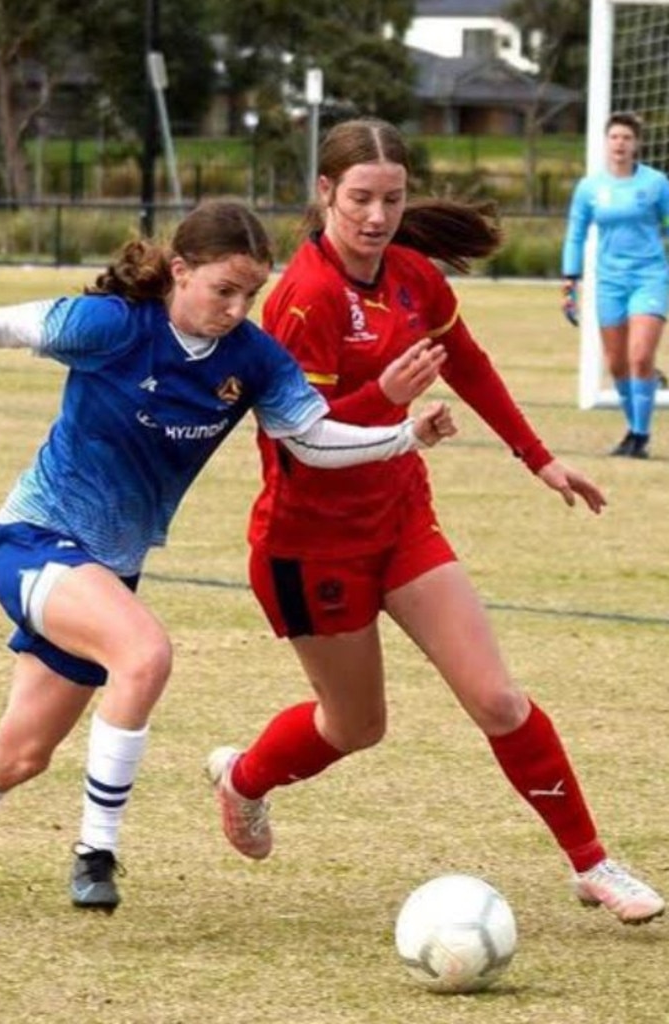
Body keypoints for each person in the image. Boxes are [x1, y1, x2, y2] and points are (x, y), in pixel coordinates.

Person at [0, 199, 456, 911]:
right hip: (37, 540)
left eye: (249, 293)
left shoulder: (252, 359)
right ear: (181, 271)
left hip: (106, 569)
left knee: (20, 754)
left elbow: (311, 439)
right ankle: (96, 853)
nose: (236, 307)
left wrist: (405, 436)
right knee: (145, 653)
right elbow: (3, 323)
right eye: (223, 289)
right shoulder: (115, 327)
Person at [206, 119, 665, 926]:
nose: (377, 217)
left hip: (400, 520)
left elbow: (472, 364)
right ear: (324, 195)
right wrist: (386, 395)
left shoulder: (414, 276)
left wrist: (539, 457)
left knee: (497, 700)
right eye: (359, 199)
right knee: (357, 726)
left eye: (392, 198)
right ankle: (245, 779)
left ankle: (594, 864)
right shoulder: (302, 301)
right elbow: (298, 442)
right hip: (310, 547)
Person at [561, 110, 669, 459]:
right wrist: (570, 282)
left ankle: (639, 436)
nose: (620, 143)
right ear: (606, 143)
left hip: (649, 277)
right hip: (609, 282)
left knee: (640, 356)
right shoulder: (590, 188)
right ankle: (633, 428)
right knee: (617, 363)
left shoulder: (655, 184)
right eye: (614, 137)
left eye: (626, 137)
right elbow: (576, 235)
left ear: (636, 143)